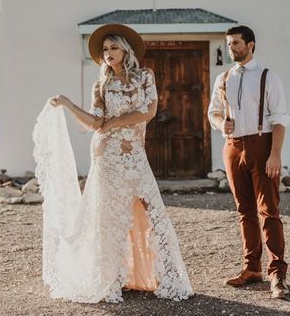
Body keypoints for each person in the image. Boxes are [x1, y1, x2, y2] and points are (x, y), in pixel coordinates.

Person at [33, 23, 193, 304]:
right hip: (106, 157)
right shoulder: (102, 84)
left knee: (152, 210)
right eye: (105, 49)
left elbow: (149, 111)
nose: (108, 53)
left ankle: (166, 276)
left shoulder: (145, 76)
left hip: (134, 155)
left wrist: (116, 121)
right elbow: (96, 123)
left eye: (113, 47)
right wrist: (69, 104)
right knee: (109, 218)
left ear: (125, 50)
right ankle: (111, 280)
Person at [208, 25, 290, 300]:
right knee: (245, 211)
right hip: (233, 148)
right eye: (229, 44)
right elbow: (213, 113)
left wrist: (275, 153)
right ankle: (251, 268)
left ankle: (277, 274)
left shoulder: (268, 76)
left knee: (269, 211)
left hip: (262, 144)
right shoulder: (223, 79)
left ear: (251, 44)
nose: (231, 48)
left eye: (236, 43)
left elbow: (279, 118)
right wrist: (222, 124)